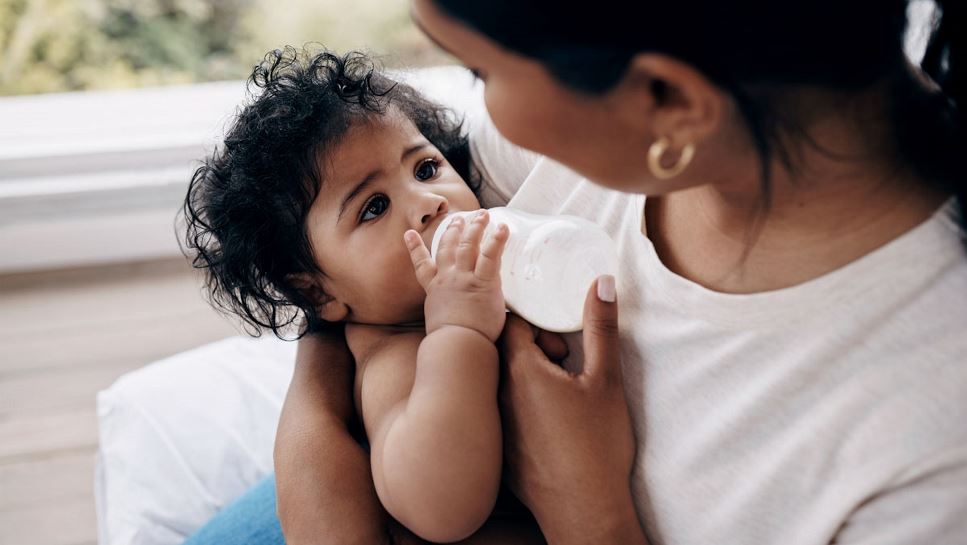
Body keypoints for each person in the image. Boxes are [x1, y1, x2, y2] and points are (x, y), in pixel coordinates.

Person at [186, 0, 967, 544]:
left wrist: (586, 509)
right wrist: (337, 379)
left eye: (482, 73)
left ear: (666, 101)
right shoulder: (601, 109)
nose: (437, 185)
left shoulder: (929, 455)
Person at [181, 46, 548, 544]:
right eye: (374, 207)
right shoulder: (395, 358)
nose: (428, 203)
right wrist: (458, 333)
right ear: (318, 291)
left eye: (425, 169)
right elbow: (441, 508)